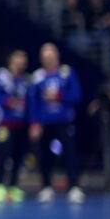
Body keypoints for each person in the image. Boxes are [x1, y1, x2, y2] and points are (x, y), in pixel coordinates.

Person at [28, 43, 84, 204]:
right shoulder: (37, 77)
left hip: (64, 121)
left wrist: (59, 96)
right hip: (45, 122)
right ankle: (46, 187)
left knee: (70, 154)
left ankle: (73, 187)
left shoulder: (66, 73)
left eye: (50, 56)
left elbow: (77, 95)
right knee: (44, 156)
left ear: (57, 56)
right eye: (45, 57)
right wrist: (34, 123)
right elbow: (33, 103)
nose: (48, 60)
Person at [0, 50, 30, 203]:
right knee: (3, 155)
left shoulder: (25, 80)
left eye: (22, 62)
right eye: (17, 61)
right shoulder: (1, 76)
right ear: (11, 61)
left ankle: (13, 187)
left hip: (21, 124)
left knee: (18, 157)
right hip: (5, 124)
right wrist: (7, 101)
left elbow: (29, 101)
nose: (20, 65)